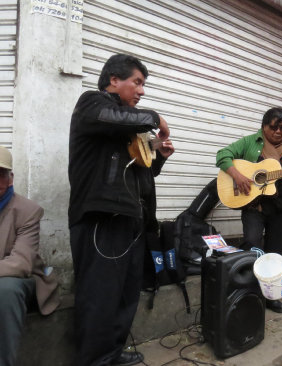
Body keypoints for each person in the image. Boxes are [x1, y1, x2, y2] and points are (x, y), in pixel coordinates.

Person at [68, 54, 174, 366]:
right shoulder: (92, 103)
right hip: (103, 216)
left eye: (144, 85)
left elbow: (144, 174)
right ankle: (95, 359)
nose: (141, 91)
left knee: (125, 294)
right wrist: (155, 118)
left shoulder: (130, 126)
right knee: (100, 294)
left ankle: (111, 353)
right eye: (137, 82)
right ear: (114, 80)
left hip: (131, 219)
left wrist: (159, 154)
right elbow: (115, 119)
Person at [216, 107, 282, 313]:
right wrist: (237, 175)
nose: (278, 132)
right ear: (264, 126)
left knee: (277, 253)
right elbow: (222, 155)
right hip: (253, 206)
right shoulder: (250, 142)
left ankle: (271, 297)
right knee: (253, 245)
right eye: (273, 127)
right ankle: (249, 293)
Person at [0, 146, 60, 366]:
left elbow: (21, 264)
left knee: (5, 290)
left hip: (24, 279)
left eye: (0, 174)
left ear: (10, 179)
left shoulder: (28, 211)